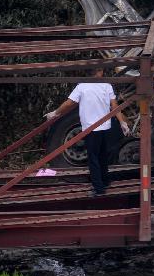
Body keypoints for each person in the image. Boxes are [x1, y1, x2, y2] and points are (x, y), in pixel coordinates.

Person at [45, 68, 130, 196]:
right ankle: (105, 181)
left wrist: (55, 113)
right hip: (105, 127)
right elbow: (114, 106)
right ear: (100, 72)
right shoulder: (106, 86)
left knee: (93, 159)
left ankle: (98, 189)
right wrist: (122, 122)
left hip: (91, 128)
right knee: (102, 156)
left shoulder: (82, 87)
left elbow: (69, 103)